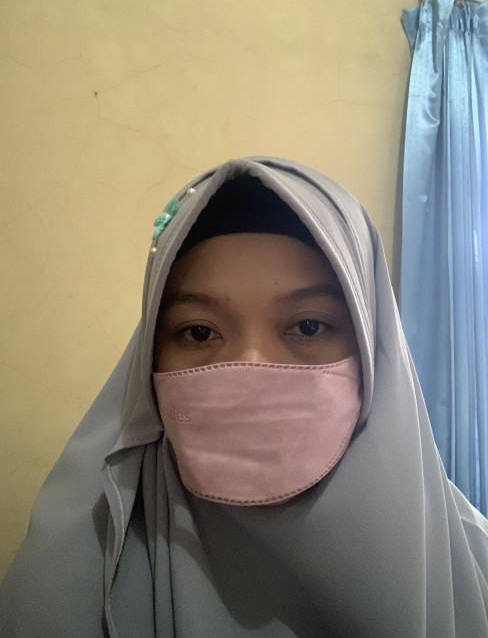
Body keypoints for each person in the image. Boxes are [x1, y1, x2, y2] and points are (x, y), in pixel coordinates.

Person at [1, 157, 487, 637]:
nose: (252, 365)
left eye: (309, 326)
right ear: (149, 356)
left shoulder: (473, 561)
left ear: (369, 348)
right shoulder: (78, 563)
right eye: (198, 332)